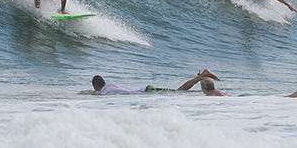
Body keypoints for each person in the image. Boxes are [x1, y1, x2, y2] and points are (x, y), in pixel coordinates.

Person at [91, 68, 220, 95]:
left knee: (178, 91)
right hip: (147, 89)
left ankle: (202, 75)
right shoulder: (108, 86)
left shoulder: (108, 90)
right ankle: (200, 77)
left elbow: (124, 91)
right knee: (178, 91)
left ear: (96, 86)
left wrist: (136, 95)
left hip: (148, 90)